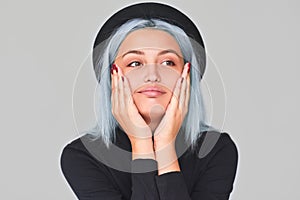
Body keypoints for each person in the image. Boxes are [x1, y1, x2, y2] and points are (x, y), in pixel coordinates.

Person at [60, 2, 238, 200]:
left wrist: (165, 146)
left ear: (187, 76)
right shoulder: (81, 156)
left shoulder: (215, 149)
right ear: (112, 78)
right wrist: (141, 142)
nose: (152, 75)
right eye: (135, 63)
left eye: (168, 62)